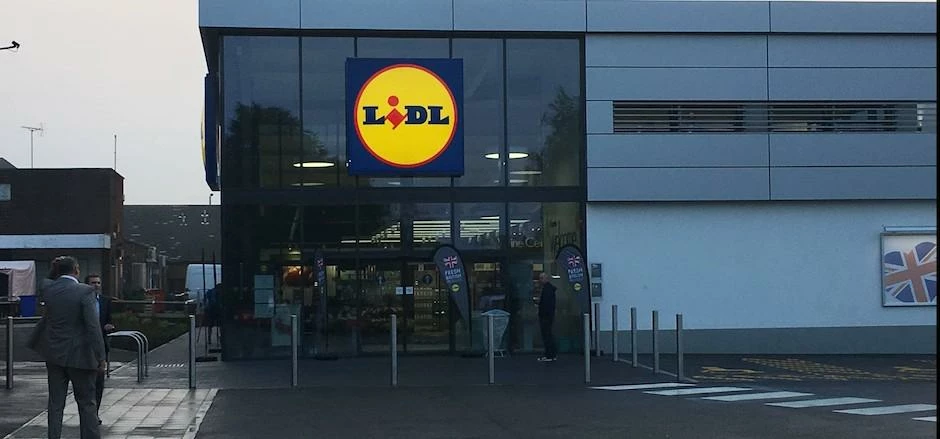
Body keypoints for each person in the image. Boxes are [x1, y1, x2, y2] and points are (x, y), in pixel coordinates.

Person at [28, 256, 106, 439]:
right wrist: (101, 356)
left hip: (54, 354)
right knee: (87, 403)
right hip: (80, 355)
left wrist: (54, 267)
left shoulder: (48, 288)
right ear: (77, 270)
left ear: (57, 270)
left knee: (55, 403)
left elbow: (48, 279)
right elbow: (93, 327)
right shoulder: (85, 291)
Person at [86, 273, 114, 425]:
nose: (96, 285)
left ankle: (94, 414)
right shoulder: (81, 301)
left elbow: (109, 319)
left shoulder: (105, 301)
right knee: (86, 382)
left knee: (99, 382)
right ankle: (87, 412)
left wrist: (108, 326)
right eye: (92, 283)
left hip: (101, 346)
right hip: (85, 346)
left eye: (98, 282)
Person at [535, 272, 557, 362]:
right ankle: (551, 354)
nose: (540, 280)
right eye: (540, 278)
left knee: (546, 335)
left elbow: (546, 304)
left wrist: (541, 308)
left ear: (546, 279)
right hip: (548, 315)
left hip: (546, 316)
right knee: (548, 335)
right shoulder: (549, 289)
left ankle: (549, 355)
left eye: (541, 278)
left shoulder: (547, 290)